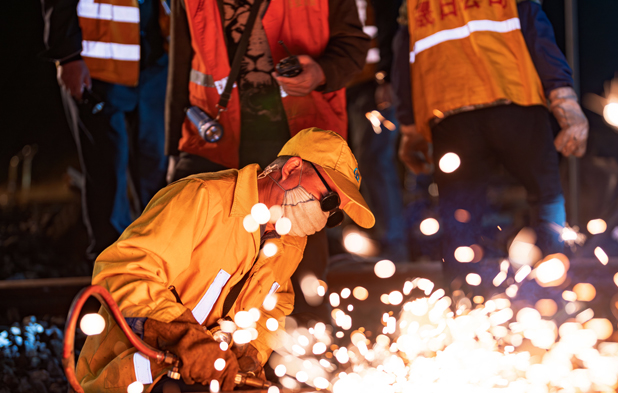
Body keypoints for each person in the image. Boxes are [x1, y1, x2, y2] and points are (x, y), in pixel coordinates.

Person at [74, 128, 374, 393]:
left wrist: (250, 353)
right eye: (330, 199)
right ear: (292, 170)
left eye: (335, 214)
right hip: (137, 363)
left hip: (201, 369)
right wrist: (183, 336)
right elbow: (125, 268)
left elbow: (275, 302)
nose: (326, 216)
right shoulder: (203, 198)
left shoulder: (287, 239)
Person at [164, 0, 370, 322]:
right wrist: (175, 151)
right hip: (216, 141)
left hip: (299, 142)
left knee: (299, 271)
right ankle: (196, 347)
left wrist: (320, 72)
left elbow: (354, 46)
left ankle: (295, 346)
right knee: (201, 263)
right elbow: (180, 63)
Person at [393, 0, 588, 279]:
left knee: (460, 215)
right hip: (515, 102)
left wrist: (410, 129)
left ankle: (461, 294)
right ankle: (553, 282)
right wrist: (563, 98)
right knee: (545, 196)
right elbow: (538, 36)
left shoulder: (415, 5)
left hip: (451, 117)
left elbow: (402, 63)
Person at [41, 0, 171, 259]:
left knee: (156, 172)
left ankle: (157, 262)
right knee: (107, 174)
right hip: (99, 66)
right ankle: (111, 272)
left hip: (156, 60)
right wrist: (68, 56)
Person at [345, 0, 409, 262]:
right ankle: (361, 240)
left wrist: (387, 76)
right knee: (351, 162)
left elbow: (391, 21)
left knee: (375, 159)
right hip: (342, 82)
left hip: (373, 82)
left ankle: (393, 244)